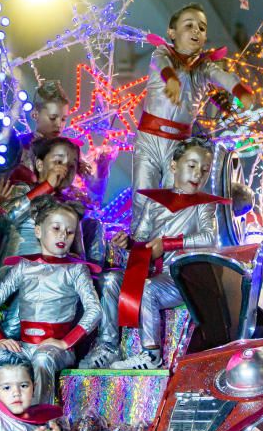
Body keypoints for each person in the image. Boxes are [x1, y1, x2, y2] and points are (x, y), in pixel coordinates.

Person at [82, 137, 228, 370]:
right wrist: (128, 243)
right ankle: (107, 346)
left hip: (183, 279)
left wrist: (167, 244)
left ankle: (151, 354)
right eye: (191, 166)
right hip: (151, 272)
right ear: (173, 165)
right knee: (109, 280)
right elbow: (141, 240)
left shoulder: (204, 205)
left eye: (204, 170)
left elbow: (210, 237)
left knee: (147, 287)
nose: (197, 174)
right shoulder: (155, 203)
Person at [0, 195, 100, 403]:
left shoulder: (75, 269)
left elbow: (95, 310)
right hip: (25, 346)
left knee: (42, 358)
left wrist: (65, 342)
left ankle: (39, 419)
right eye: (56, 228)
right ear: (38, 231)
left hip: (54, 350)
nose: (63, 235)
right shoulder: (24, 267)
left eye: (70, 231)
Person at [130, 4, 253, 226]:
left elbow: (222, 76)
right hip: (149, 138)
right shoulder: (162, 53)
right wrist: (171, 79)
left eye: (202, 28)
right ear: (172, 32)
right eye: (189, 25)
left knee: (174, 201)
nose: (196, 31)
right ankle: (138, 250)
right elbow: (161, 65)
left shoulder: (204, 67)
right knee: (142, 196)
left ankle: (167, 254)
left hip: (179, 146)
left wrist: (240, 91)